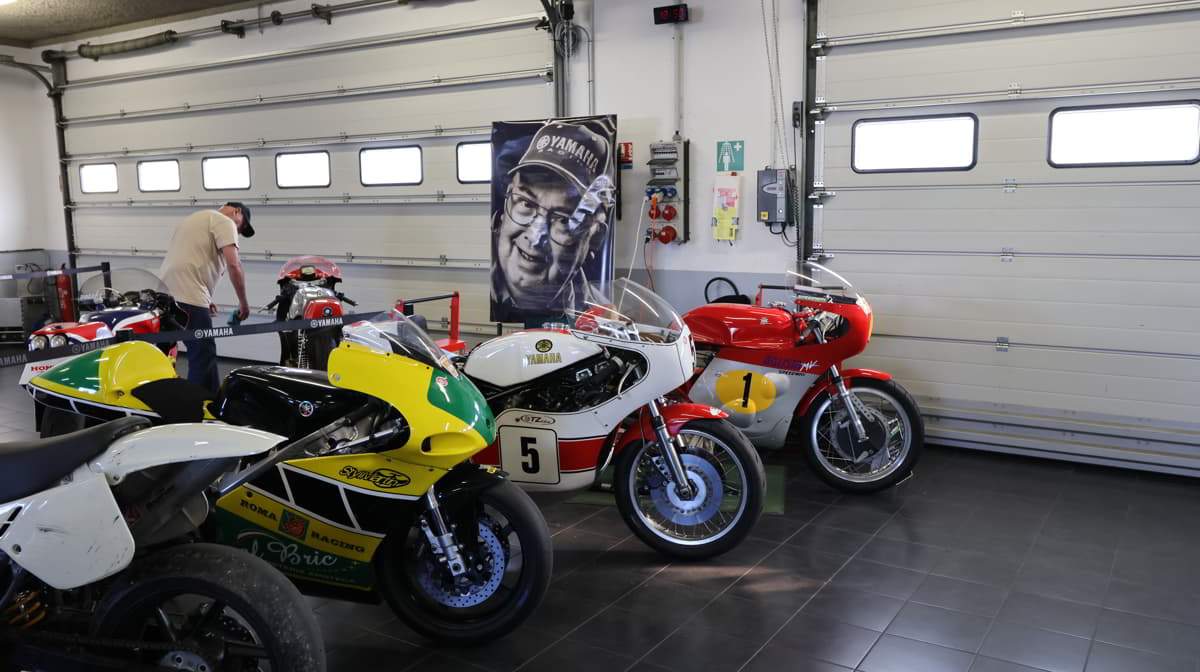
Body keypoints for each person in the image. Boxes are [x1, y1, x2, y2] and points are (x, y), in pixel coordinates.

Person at [491, 121, 616, 323]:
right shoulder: (484, 296)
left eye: (564, 219)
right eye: (526, 203)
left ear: (595, 237)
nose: (535, 237)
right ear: (502, 213)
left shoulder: (598, 319)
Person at [159, 201, 254, 393]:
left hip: (163, 295)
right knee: (203, 353)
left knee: (161, 353)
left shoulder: (193, 219)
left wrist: (206, 299)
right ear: (237, 212)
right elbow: (234, 265)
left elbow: (189, 258)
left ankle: (158, 399)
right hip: (189, 295)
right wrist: (243, 303)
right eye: (241, 227)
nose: (238, 232)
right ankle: (201, 403)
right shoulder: (226, 222)